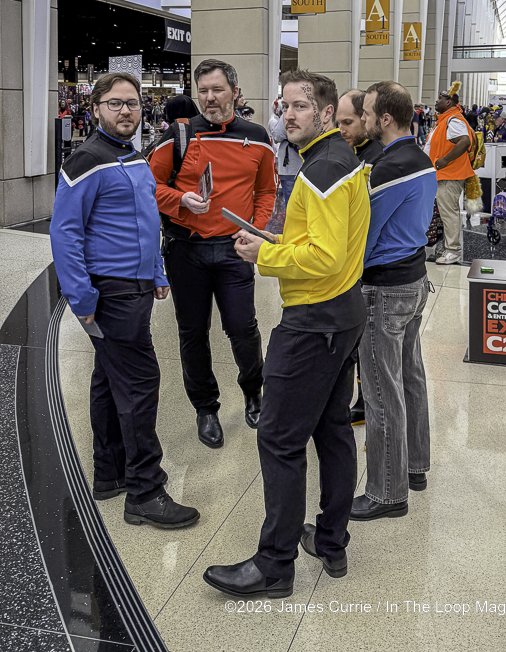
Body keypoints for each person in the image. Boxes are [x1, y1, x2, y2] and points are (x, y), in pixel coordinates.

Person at [203, 69, 370, 599]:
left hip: (313, 322)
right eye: (284, 106)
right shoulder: (341, 159)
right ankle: (331, 541)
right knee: (333, 430)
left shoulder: (322, 170)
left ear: (326, 112)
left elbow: (325, 257)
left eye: (299, 106)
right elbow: (332, 243)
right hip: (343, 314)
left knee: (279, 439)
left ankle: (274, 565)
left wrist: (265, 255)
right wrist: (278, 239)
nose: (288, 115)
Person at [50, 72, 199, 529]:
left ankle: (110, 473)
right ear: (95, 108)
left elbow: (144, 217)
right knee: (139, 383)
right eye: (115, 103)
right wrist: (81, 298)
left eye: (132, 102)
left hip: (135, 285)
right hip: (110, 291)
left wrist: (155, 271)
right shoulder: (87, 160)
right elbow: (65, 233)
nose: (126, 110)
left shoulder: (132, 156)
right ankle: (145, 491)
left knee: (109, 380)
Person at [147, 59, 276, 448]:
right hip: (185, 250)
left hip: (234, 250)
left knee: (243, 328)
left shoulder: (257, 137)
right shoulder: (178, 135)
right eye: (202, 91)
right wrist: (179, 200)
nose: (209, 98)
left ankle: (253, 391)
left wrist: (253, 228)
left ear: (235, 92)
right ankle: (205, 408)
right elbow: (148, 186)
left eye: (217, 90)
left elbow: (266, 190)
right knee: (192, 333)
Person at [350, 81, 437, 521]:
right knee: (410, 377)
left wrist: (344, 276)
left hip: (385, 289)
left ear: (384, 118)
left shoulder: (388, 167)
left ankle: (387, 492)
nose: (362, 120)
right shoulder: (420, 158)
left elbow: (366, 234)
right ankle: (415, 466)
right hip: (415, 280)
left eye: (365, 113)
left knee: (381, 390)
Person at [335, 88, 384, 425]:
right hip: (350, 262)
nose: (342, 129)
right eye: (338, 123)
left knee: (367, 342)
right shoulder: (350, 152)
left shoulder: (377, 158)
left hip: (369, 265)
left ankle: (368, 403)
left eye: (349, 122)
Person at [424, 83, 474, 265]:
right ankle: (447, 246)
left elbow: (464, 141)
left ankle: (453, 251)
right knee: (445, 212)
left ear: (448, 102)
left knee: (449, 213)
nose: (436, 101)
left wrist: (445, 160)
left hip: (449, 174)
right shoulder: (445, 120)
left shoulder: (453, 119)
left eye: (440, 98)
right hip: (443, 174)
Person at [337, 89, 383, 177]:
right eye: (338, 124)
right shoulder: (343, 150)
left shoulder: (380, 156)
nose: (341, 131)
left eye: (347, 122)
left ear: (364, 117)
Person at [268, 99, 302, 204]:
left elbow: (277, 135)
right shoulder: (310, 112)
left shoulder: (286, 116)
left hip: (291, 167)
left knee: (292, 203)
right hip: (299, 166)